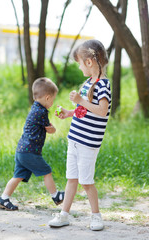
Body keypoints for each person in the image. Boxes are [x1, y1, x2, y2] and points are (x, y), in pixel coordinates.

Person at [48, 40, 111, 231]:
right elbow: (83, 111)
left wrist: (81, 100)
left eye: (80, 62)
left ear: (90, 62)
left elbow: (102, 111)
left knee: (86, 181)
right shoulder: (88, 83)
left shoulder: (103, 85)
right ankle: (64, 214)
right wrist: (69, 112)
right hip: (74, 140)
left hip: (88, 143)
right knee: (72, 178)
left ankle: (96, 216)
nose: (79, 66)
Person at [0, 77, 64, 211]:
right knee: (47, 172)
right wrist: (53, 129)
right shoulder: (42, 112)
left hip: (21, 150)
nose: (52, 102)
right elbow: (49, 129)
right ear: (47, 98)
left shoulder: (35, 108)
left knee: (18, 176)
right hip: (30, 152)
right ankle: (56, 196)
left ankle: (3, 198)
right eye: (53, 99)